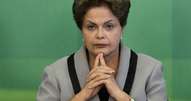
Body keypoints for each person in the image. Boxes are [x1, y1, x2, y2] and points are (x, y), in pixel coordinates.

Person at [37, 0, 167, 101]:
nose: (100, 35)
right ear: (81, 30)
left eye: (109, 26)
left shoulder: (151, 70)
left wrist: (119, 95)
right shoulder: (54, 73)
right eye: (91, 27)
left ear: (122, 28)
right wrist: (83, 95)